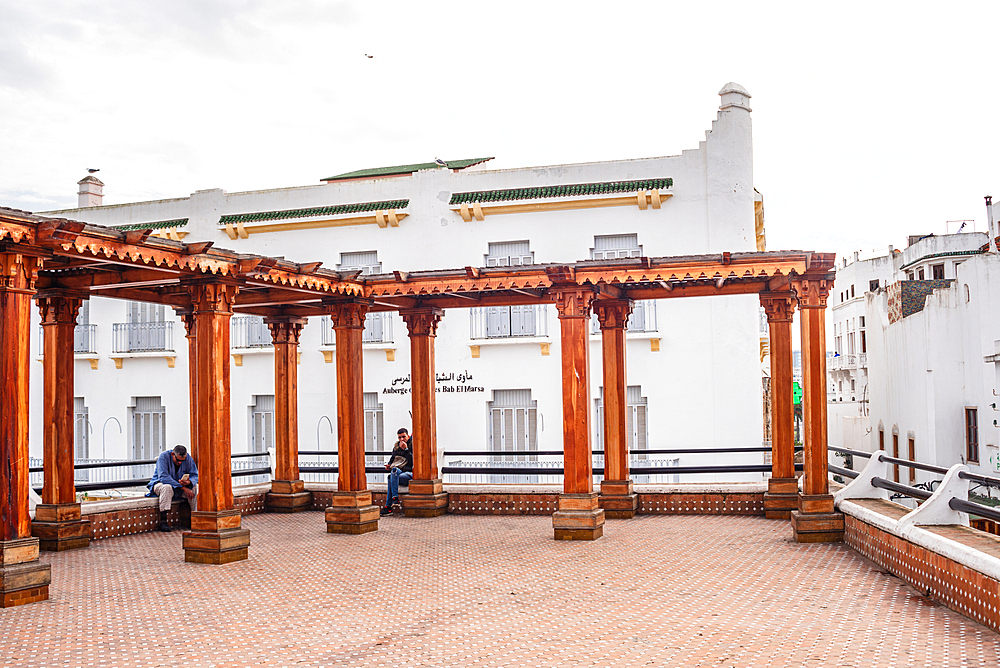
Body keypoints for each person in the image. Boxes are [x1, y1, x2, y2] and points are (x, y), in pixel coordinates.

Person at [146, 445, 199, 532]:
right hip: (160, 484)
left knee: (195, 487)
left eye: (183, 461)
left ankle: (195, 518)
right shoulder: (163, 457)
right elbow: (164, 477)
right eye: (178, 460)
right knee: (167, 487)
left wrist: (189, 482)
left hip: (178, 487)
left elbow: (194, 475)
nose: (180, 463)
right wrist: (182, 487)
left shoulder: (188, 458)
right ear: (172, 454)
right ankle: (163, 521)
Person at [381, 428, 413, 516]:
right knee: (393, 473)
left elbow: (414, 462)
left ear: (408, 436)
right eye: (399, 437)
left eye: (404, 437)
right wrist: (389, 465)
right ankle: (393, 501)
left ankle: (389, 505)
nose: (402, 439)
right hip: (398, 473)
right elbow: (392, 459)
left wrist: (406, 450)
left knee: (391, 476)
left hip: (409, 473)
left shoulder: (412, 445)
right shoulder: (396, 447)